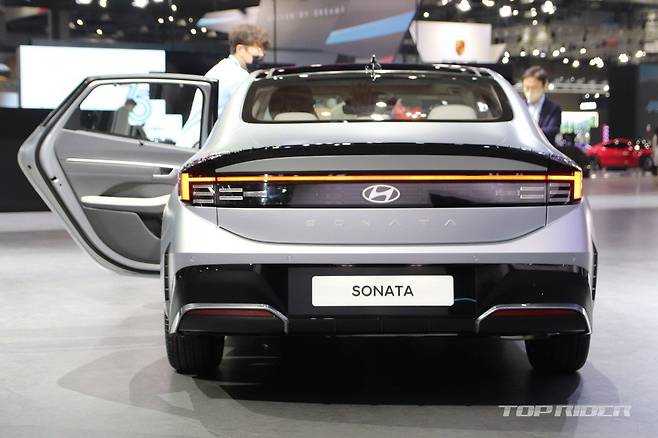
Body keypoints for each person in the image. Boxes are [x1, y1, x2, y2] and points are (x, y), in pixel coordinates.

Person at [177, 24, 269, 147]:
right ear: (240, 49)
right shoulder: (237, 75)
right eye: (257, 52)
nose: (261, 56)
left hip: (194, 142)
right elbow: (255, 116)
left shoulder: (223, 68)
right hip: (199, 145)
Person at [522, 66, 562, 146]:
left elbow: (552, 131)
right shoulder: (519, 107)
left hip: (544, 150)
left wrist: (527, 132)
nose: (530, 91)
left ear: (544, 86)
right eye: (527, 87)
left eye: (534, 87)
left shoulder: (554, 109)